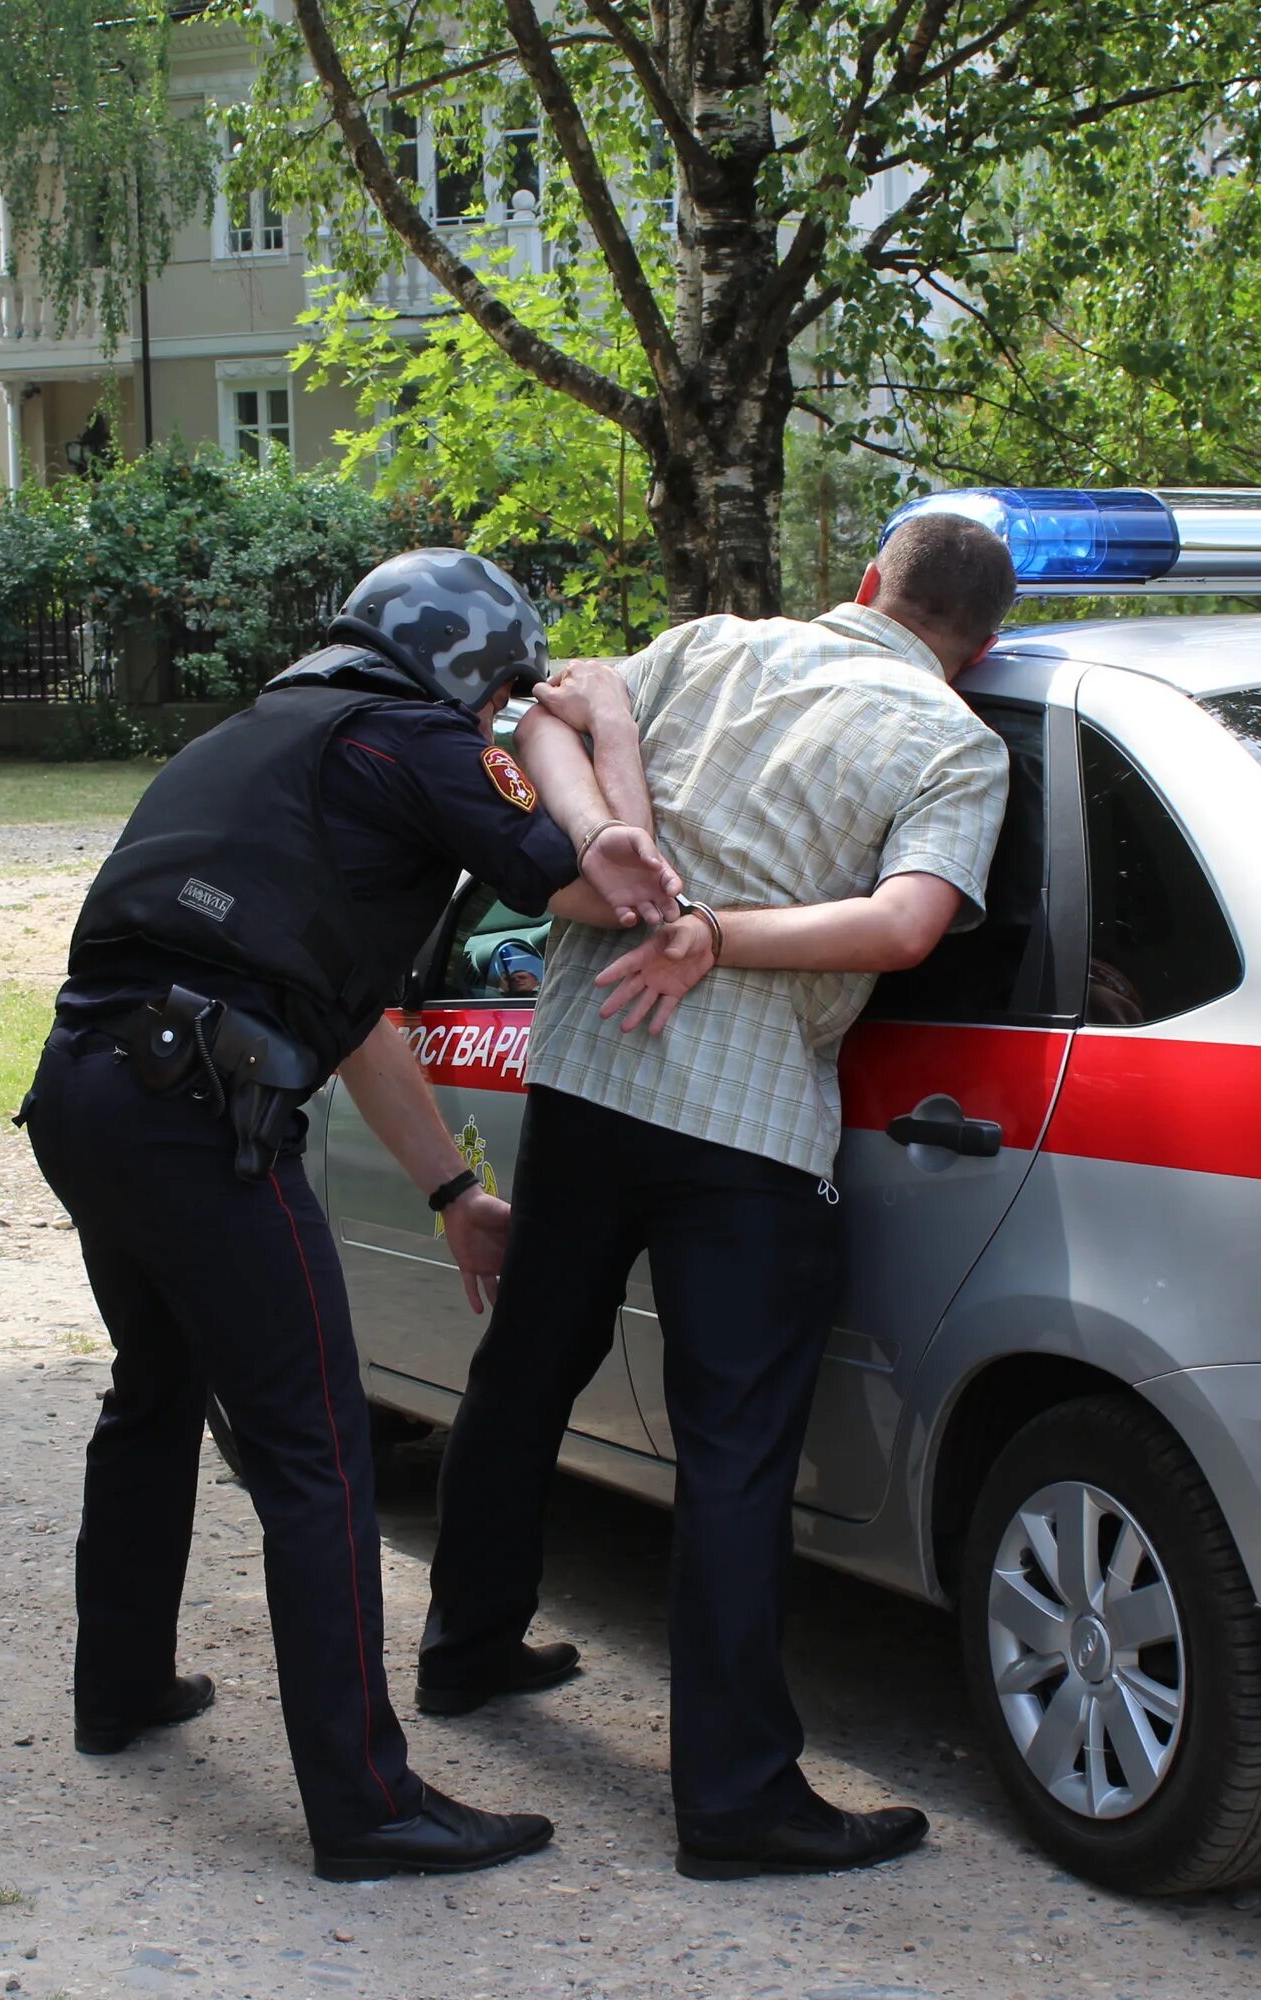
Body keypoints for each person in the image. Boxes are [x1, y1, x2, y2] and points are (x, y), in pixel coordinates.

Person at [21, 549, 679, 1880]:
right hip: (197, 1115)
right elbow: (601, 878)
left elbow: (360, 1014)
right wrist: (598, 722)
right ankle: (367, 1806)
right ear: (461, 670)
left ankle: (121, 1684)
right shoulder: (414, 739)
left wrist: (449, 1193)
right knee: (321, 1454)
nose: (502, 718)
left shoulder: (263, 736)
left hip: (90, 1093)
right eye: (501, 694)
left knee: (153, 1393)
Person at [415, 510, 1020, 1879]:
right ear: (977, 652)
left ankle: (464, 1649)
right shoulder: (953, 743)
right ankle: (736, 1799)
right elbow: (910, 926)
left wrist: (616, 838)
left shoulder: (708, 646)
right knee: (735, 1454)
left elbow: (544, 717)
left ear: (865, 585)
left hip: (587, 1070)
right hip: (745, 1125)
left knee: (527, 1366)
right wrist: (724, 940)